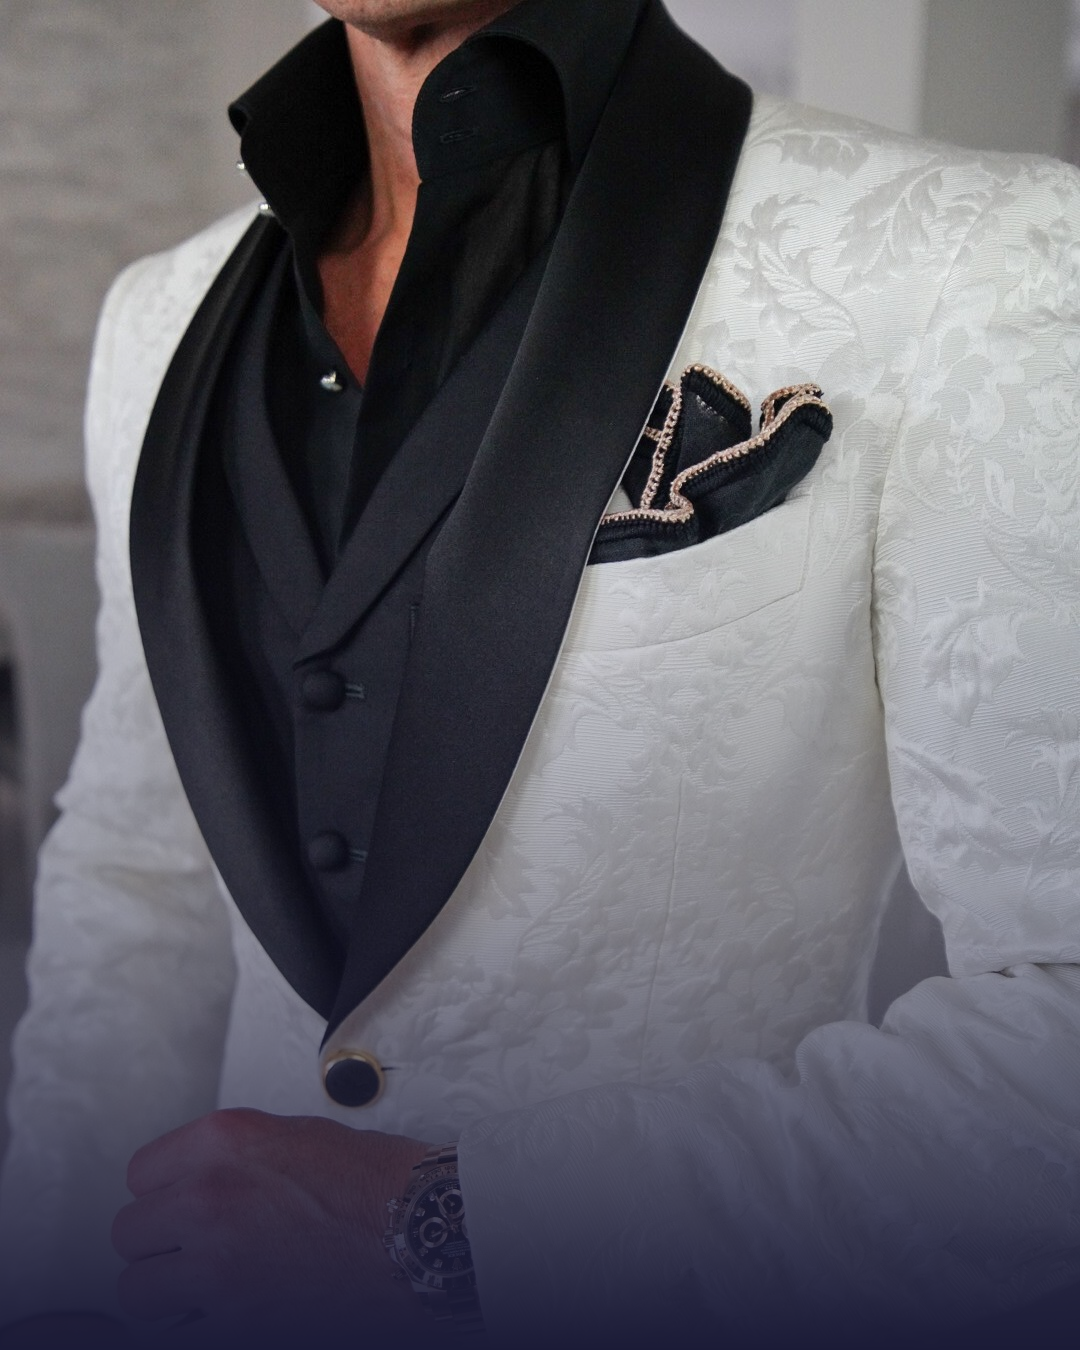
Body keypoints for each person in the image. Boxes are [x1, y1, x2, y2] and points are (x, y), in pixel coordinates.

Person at [1, 0, 1078, 1344]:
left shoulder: (973, 261)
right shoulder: (155, 318)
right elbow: (132, 875)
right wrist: (59, 1282)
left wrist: (451, 1226)